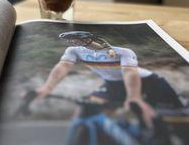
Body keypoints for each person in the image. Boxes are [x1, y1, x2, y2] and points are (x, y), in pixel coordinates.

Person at [36, 31, 184, 129]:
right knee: (85, 108)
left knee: (154, 114)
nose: (72, 43)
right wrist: (47, 88)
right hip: (113, 84)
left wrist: (134, 97)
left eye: (74, 40)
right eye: (70, 41)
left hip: (148, 82)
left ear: (87, 39)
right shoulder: (73, 51)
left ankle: (156, 143)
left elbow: (129, 73)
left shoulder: (122, 52)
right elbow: (62, 68)